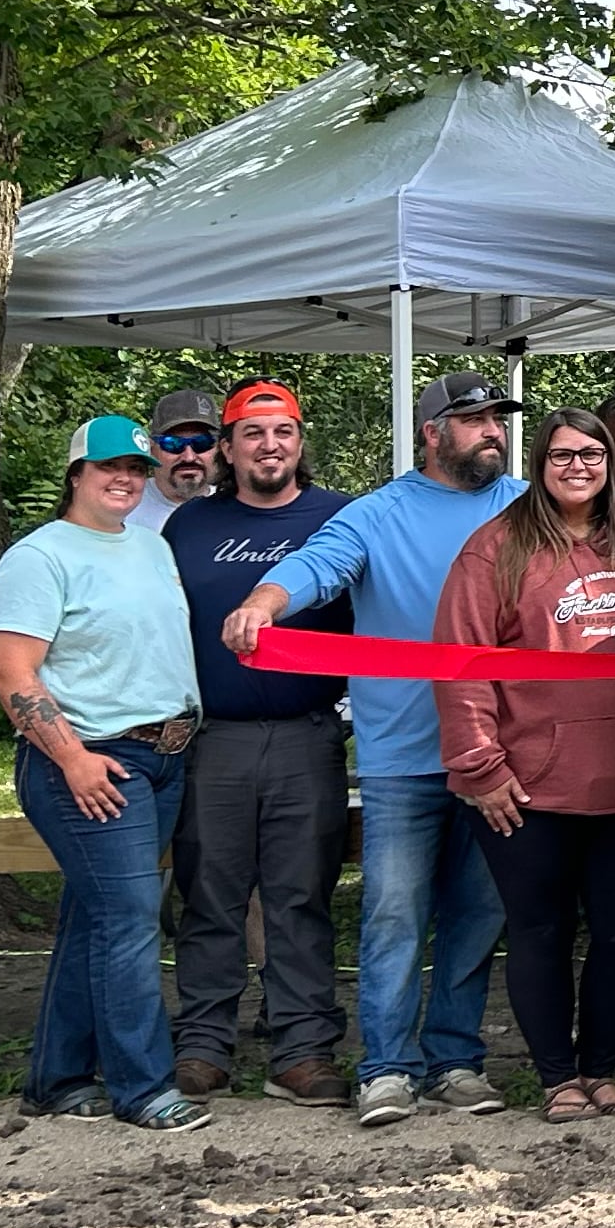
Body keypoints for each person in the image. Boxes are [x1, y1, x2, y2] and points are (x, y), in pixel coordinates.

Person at [223, 371, 529, 1128]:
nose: (492, 430)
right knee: (395, 913)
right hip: (404, 756)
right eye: (474, 419)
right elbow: (314, 567)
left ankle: (455, 1059)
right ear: (432, 433)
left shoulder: (528, 506)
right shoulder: (377, 513)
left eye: (497, 418)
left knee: (478, 914)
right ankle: (387, 1066)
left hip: (500, 752)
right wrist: (263, 603)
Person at [435, 408, 615, 1123]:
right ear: (539, 463)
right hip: (529, 786)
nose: (579, 466)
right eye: (563, 454)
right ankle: (556, 1077)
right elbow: (459, 662)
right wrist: (480, 767)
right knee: (540, 932)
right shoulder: (495, 548)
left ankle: (602, 1069)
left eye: (593, 453)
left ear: (614, 463)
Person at [0, 416, 210, 1133]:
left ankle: (56, 1076)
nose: (127, 478)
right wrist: (72, 756)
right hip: (89, 757)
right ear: (76, 473)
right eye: (111, 466)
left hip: (162, 754)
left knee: (96, 919)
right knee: (130, 919)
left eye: (138, 470)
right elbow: (9, 670)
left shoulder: (150, 546)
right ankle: (143, 1085)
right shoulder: (39, 556)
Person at [161, 379, 355, 1108]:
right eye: (252, 433)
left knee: (300, 894)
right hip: (215, 738)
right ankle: (205, 1044)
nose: (269, 445)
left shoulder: (340, 517)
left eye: (283, 432)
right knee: (208, 891)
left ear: (300, 441)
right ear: (229, 447)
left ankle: (302, 1046)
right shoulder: (190, 526)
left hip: (308, 733)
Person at [129, 387, 220, 535]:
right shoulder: (124, 505)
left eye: (202, 443)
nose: (189, 456)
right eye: (172, 444)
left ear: (219, 449)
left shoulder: (235, 509)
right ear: (152, 449)